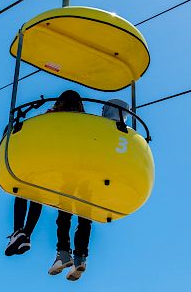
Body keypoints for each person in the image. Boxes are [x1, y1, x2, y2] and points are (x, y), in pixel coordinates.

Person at [48, 97, 131, 281]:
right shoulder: (126, 135)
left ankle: (63, 253)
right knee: (85, 217)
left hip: (76, 172)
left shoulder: (96, 125)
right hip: (97, 180)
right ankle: (80, 258)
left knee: (64, 213)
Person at [4, 90, 84, 257]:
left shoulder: (51, 117)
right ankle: (25, 234)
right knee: (37, 196)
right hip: (64, 171)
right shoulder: (82, 122)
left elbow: (34, 132)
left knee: (24, 190)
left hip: (44, 163)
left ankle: (19, 231)